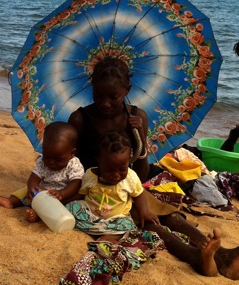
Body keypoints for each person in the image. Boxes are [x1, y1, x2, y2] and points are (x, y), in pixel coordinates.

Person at [68, 56, 239, 279]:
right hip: (96, 192)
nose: (105, 103)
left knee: (167, 215)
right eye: (98, 95)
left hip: (128, 182)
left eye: (114, 96)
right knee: (148, 222)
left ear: (127, 89)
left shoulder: (137, 117)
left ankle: (222, 257)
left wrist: (139, 137)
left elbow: (141, 174)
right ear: (91, 88)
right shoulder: (80, 119)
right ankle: (194, 256)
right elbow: (74, 168)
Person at [66, 131, 159, 243]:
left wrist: (144, 212)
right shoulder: (90, 176)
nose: (116, 174)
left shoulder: (131, 178)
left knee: (128, 224)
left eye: (122, 169)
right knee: (73, 206)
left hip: (115, 220)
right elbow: (81, 194)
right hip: (90, 217)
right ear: (99, 160)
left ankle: (108, 237)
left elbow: (139, 195)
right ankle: (91, 230)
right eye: (109, 170)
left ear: (128, 160)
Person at [0, 121, 84, 222]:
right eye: (46, 157)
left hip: (61, 196)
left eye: (58, 159)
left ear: (72, 153)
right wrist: (32, 186)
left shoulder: (74, 164)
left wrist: (62, 193)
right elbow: (34, 177)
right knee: (24, 191)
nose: (51, 162)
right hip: (41, 192)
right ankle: (11, 202)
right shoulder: (42, 161)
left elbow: (76, 183)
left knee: (69, 202)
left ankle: (38, 215)